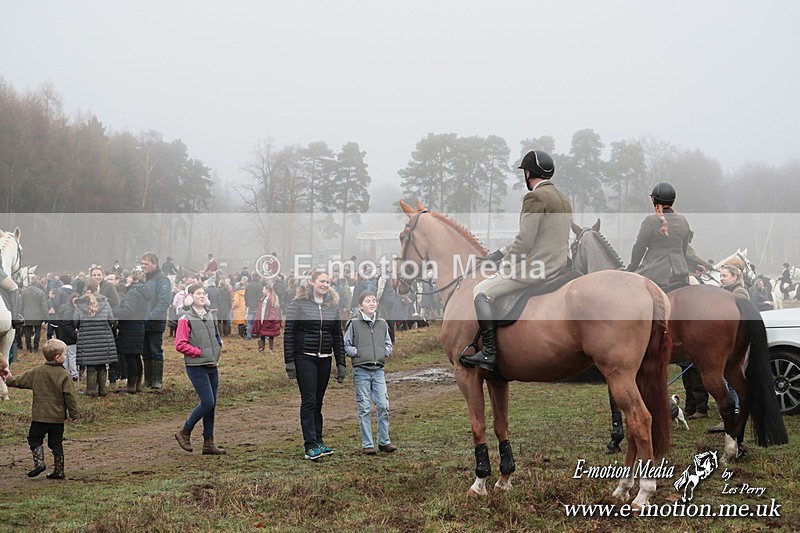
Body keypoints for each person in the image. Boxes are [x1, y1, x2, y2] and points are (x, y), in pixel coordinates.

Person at [460, 150, 572, 371]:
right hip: (560, 264)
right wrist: (500, 251)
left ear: (528, 173)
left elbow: (525, 241)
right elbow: (544, 237)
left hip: (538, 267)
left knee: (481, 292)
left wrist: (505, 264)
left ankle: (489, 353)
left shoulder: (534, 197)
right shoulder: (562, 197)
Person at [283, 269, 345, 460]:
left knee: (318, 402)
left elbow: (337, 336)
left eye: (327, 282)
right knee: (308, 400)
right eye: (321, 281)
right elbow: (289, 333)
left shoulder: (332, 306)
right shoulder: (298, 304)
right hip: (305, 358)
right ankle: (309, 445)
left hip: (325, 358)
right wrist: (289, 362)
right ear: (311, 282)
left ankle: (319, 441)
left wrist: (341, 362)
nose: (325, 285)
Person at [2, 339, 79, 479]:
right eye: (65, 354)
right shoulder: (65, 375)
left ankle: (39, 463)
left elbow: (20, 381)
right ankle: (59, 471)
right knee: (56, 444)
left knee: (34, 439)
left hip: (39, 418)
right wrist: (73, 414)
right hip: (57, 419)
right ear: (57, 358)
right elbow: (70, 396)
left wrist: (7, 379)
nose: (66, 357)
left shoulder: (37, 372)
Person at [174, 283, 226, 455]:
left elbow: (216, 335)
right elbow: (180, 344)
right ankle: (185, 431)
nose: (202, 296)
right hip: (196, 366)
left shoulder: (210, 315)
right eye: (198, 293)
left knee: (212, 405)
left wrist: (218, 346)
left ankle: (208, 443)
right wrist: (198, 352)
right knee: (207, 402)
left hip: (212, 365)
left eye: (204, 293)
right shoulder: (185, 318)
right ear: (190, 296)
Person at [344, 292, 396, 455]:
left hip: (378, 370)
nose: (371, 303)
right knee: (365, 407)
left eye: (374, 301)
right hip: (361, 371)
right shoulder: (353, 323)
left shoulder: (382, 323)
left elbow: (389, 342)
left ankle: (384, 441)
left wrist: (384, 352)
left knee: (383, 405)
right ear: (360, 306)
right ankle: (368, 444)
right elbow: (346, 344)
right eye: (367, 301)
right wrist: (358, 353)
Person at [626, 182, 692, 288]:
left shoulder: (651, 221)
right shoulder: (683, 220)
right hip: (680, 273)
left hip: (655, 273)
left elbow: (639, 247)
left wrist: (632, 268)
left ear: (654, 200)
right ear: (673, 200)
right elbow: (683, 249)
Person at [74, 279, 118, 397]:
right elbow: (111, 319)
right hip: (104, 337)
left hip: (86, 337)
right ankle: (102, 390)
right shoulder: (105, 302)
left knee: (91, 364)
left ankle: (90, 390)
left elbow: (76, 321)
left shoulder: (80, 303)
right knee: (102, 364)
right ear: (98, 288)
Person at [112, 270, 152, 394]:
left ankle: (131, 386)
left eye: (128, 278)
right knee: (135, 356)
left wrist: (112, 313)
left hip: (130, 328)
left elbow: (128, 311)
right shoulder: (141, 292)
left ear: (135, 279)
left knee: (130, 357)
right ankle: (137, 385)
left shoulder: (133, 293)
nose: (126, 280)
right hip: (138, 327)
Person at [140, 252, 172, 390]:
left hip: (155, 322)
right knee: (145, 351)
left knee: (155, 350)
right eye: (142, 264)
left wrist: (151, 315)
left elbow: (164, 301)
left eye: (146, 264)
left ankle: (157, 380)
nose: (143, 267)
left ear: (155, 264)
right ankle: (147, 380)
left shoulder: (162, 279)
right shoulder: (144, 279)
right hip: (143, 321)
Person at [252, 282, 281, 352]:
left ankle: (270, 348)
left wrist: (270, 319)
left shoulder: (272, 298)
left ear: (267, 290)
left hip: (268, 320)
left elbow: (274, 310)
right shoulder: (263, 298)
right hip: (262, 318)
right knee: (262, 333)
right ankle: (262, 348)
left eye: (263, 289)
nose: (262, 291)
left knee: (270, 334)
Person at [20, 281, 48, 353]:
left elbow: (21, 305)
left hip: (26, 315)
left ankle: (28, 347)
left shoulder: (24, 292)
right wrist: (45, 317)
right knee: (37, 331)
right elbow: (44, 306)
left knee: (27, 332)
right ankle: (36, 347)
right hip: (38, 315)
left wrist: (20, 315)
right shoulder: (41, 292)